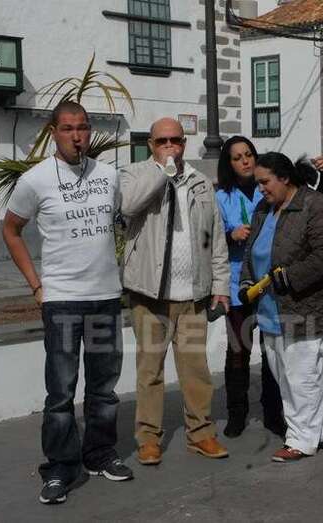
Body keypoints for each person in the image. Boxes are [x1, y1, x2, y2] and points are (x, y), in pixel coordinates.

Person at [3, 101, 133, 505]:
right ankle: (60, 467)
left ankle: (99, 454)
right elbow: (11, 230)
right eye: (67, 129)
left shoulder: (109, 175)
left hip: (105, 298)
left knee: (104, 388)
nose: (76, 136)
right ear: (53, 132)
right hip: (61, 301)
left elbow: (125, 224)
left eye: (82, 128)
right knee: (60, 392)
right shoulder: (35, 180)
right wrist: (36, 286)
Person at [120, 117, 231, 465]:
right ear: (151, 144)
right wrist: (162, 173)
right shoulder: (134, 174)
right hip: (150, 296)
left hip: (193, 297)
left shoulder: (199, 182)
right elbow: (128, 207)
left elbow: (214, 237)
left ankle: (201, 433)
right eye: (162, 141)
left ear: (184, 143)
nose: (171, 146)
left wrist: (221, 284)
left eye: (176, 141)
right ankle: (148, 439)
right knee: (150, 372)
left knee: (196, 371)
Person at [239, 152, 323, 462]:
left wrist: (290, 277)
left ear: (284, 178)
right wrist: (246, 281)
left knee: (302, 375)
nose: (261, 188)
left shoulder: (315, 205)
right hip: (270, 308)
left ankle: (301, 439)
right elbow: (253, 251)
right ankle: (317, 430)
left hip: (305, 305)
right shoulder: (264, 208)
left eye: (265, 182)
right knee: (284, 375)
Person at [215, 136, 284, 438]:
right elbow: (210, 240)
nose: (244, 161)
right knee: (238, 351)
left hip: (267, 283)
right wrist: (232, 235)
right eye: (237, 157)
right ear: (228, 164)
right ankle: (237, 413)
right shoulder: (221, 197)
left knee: (272, 352)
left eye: (248, 155)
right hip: (236, 283)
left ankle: (273, 412)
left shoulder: (267, 190)